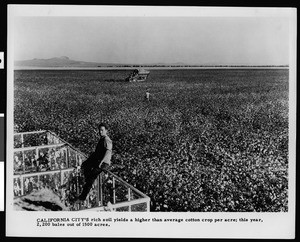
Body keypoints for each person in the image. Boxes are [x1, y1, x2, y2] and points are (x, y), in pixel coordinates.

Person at [75, 122, 113, 203]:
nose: (100, 132)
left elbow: (108, 152)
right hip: (98, 161)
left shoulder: (107, 140)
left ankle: (83, 197)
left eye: (102, 130)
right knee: (85, 167)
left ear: (106, 131)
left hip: (102, 164)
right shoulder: (102, 139)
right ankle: (85, 189)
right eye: (99, 130)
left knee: (90, 178)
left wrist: (101, 163)